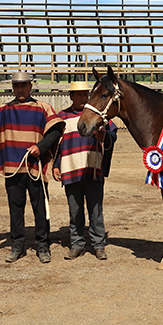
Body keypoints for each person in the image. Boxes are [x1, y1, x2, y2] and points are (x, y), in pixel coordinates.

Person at [0, 72, 65, 263]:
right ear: (13, 88)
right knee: (15, 209)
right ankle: (17, 246)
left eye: (24, 85)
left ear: (31, 87)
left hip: (35, 168)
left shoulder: (43, 108)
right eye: (17, 86)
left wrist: (41, 147)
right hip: (12, 168)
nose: (20, 89)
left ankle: (43, 247)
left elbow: (55, 131)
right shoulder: (3, 110)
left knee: (40, 209)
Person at [52, 81, 117, 260]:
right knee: (75, 212)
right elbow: (57, 145)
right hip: (71, 171)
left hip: (93, 172)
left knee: (96, 211)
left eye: (85, 94)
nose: (82, 98)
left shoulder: (97, 116)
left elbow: (113, 136)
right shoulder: (62, 117)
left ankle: (98, 245)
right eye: (78, 94)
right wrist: (56, 165)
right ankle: (77, 244)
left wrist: (104, 135)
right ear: (71, 97)